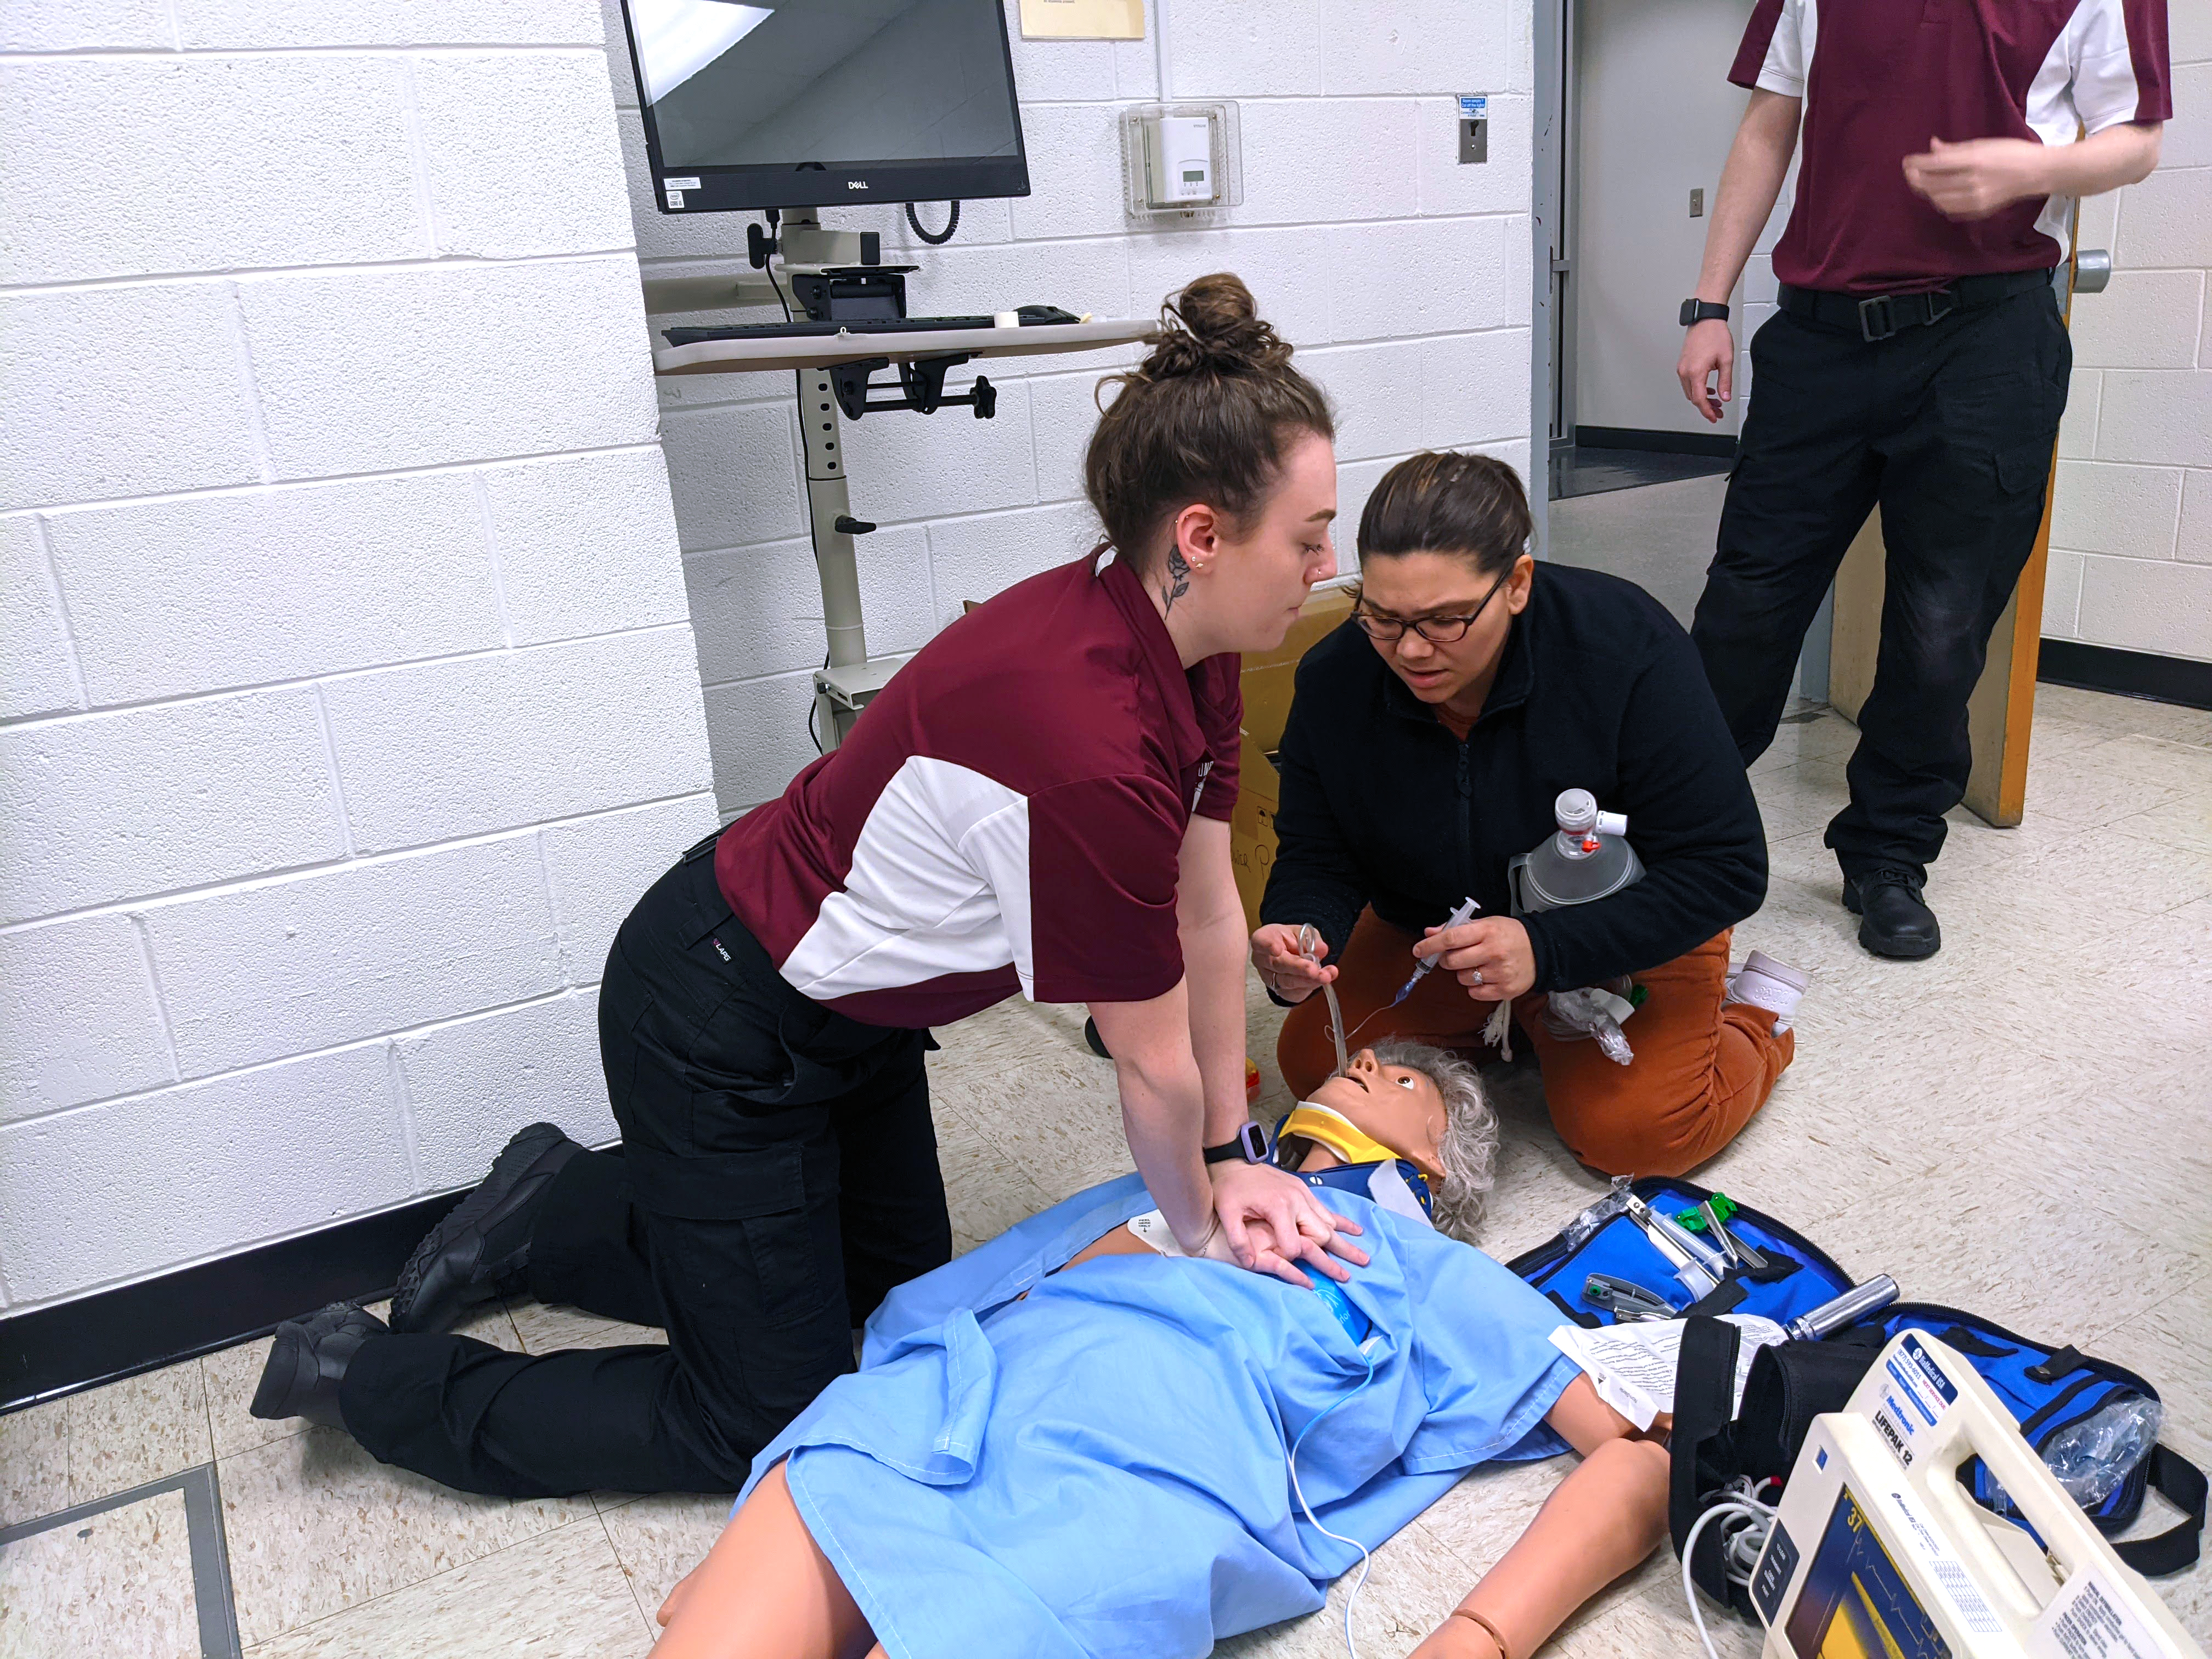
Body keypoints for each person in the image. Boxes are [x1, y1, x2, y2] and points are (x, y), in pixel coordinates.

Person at [246, 274, 1369, 1498]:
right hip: (722, 1014)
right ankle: (362, 1377)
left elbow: (1208, 918)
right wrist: (1204, 1230)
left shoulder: (1187, 646)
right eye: (1309, 537)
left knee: (886, 1303)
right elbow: (1146, 1057)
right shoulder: (1092, 739)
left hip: (854, 1019)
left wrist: (1228, 1148)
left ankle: (550, 1210)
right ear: (1200, 538)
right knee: (756, 1418)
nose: (1326, 562)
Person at [642, 1040, 1672, 1659]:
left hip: (1120, 1502)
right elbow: (948, 1312)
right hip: (928, 1426)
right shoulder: (1169, 1179)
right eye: (1364, 1053)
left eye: (1398, 1075)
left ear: (1435, 1157)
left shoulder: (1421, 1261)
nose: (1363, 1060)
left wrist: (1478, 1638)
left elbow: (1647, 1455)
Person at [1677, 0, 2168, 959]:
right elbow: (1771, 121)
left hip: (1988, 343)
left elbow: (2135, 142)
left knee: (1941, 629)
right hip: (1819, 338)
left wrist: (2036, 168)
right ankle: (1677, 826)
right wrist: (1709, 302)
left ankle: (1888, 857)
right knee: (1746, 603)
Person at [1251, 451, 1810, 1179]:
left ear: (1516, 584)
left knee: (1633, 1135)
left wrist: (1544, 951)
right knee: (1311, 1064)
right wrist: (1299, 934)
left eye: (1446, 620)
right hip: (1439, 932)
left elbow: (1726, 869)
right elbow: (1317, 853)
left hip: (1624, 927)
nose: (1412, 650)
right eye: (1383, 617)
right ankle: (1520, 1025)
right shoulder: (1337, 680)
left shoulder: (1626, 648)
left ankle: (1752, 1022)